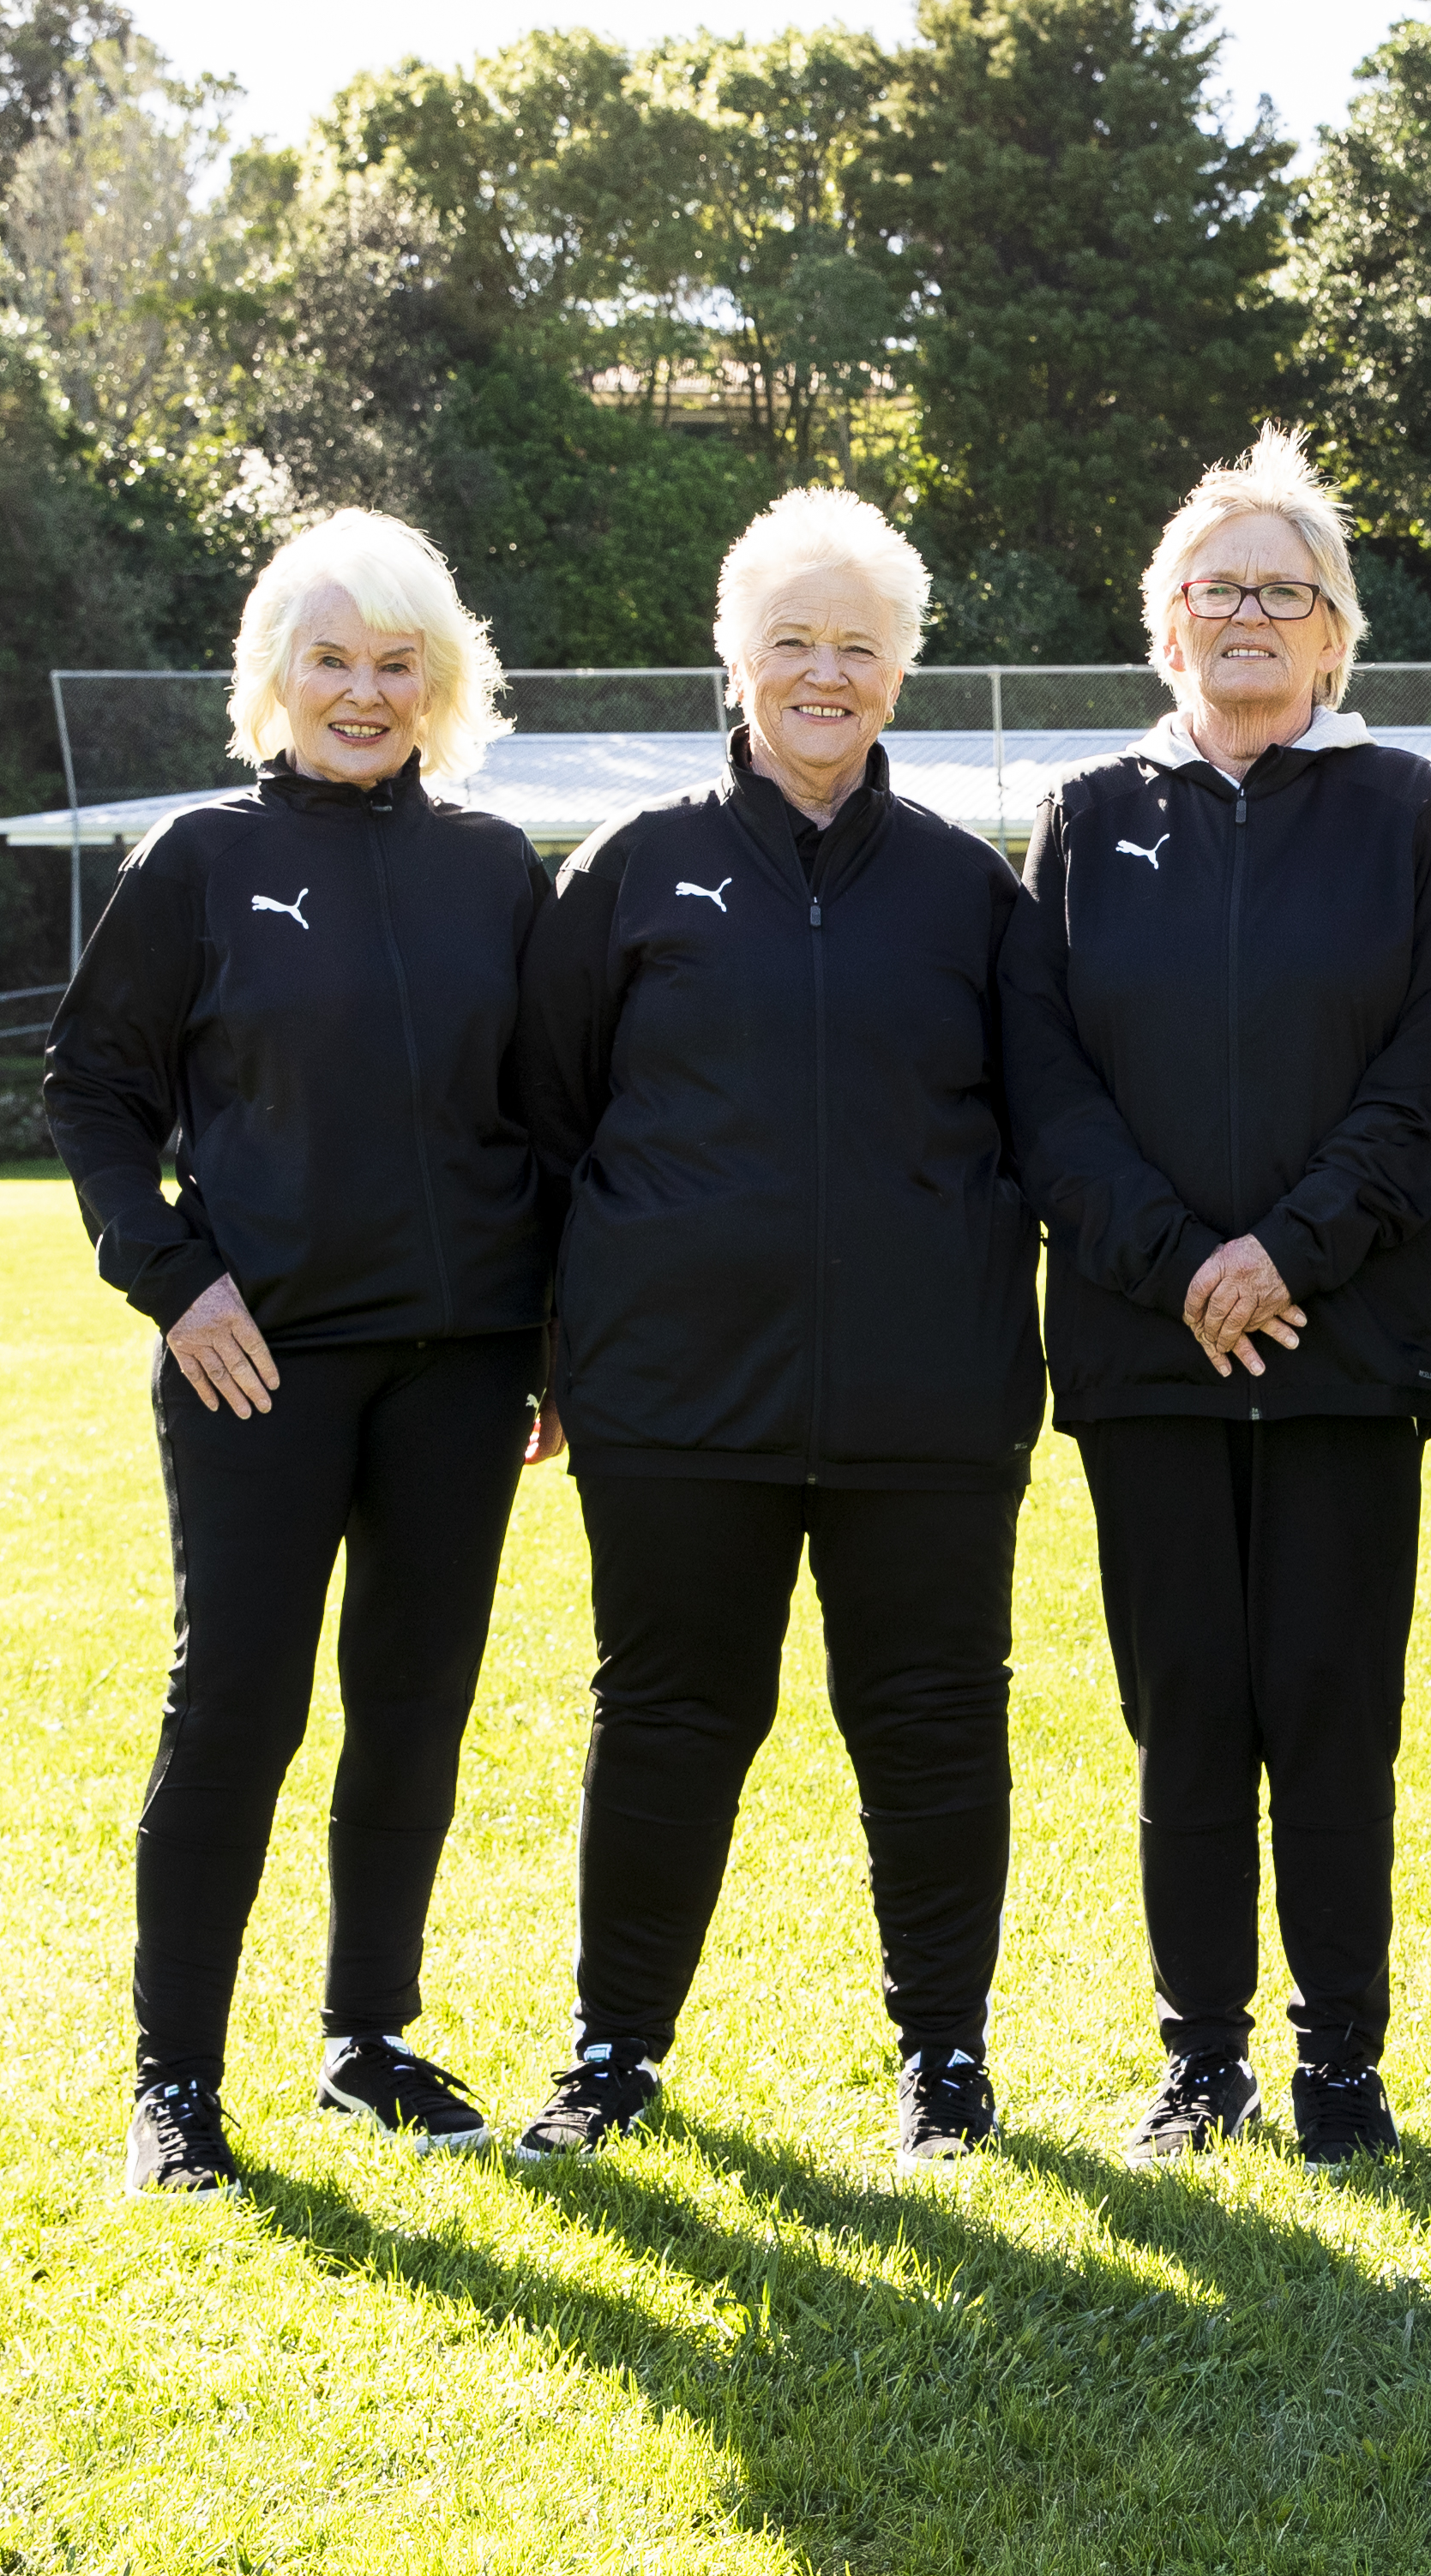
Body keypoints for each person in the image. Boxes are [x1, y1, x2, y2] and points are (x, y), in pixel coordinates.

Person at [508, 489, 1039, 2171]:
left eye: (858, 648)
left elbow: (1044, 1135)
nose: (825, 674)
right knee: (667, 1720)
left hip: (928, 1407)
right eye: (792, 643)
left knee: (935, 1724)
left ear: (902, 673)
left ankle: (945, 2065)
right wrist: (547, 1355)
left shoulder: (971, 895)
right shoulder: (631, 872)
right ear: (736, 660)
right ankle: (611, 2056)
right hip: (673, 1402)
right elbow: (538, 1127)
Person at [1001, 426, 1431, 2170]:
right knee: (1188, 1710)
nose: (1252, 619)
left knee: (1332, 1712)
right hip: (1145, 1358)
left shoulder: (1407, 815)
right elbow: (1044, 1086)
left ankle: (1340, 2068)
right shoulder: (1086, 820)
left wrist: (1288, 1251)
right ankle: (1200, 2062)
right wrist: (1172, 1262)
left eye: (1286, 594)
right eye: (1220, 592)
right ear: (1167, 623)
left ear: (1336, 632)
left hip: (1345, 1348)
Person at [46, 509, 553, 2195]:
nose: (361, 690)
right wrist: (175, 1280)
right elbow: (95, 1095)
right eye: (329, 659)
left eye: (393, 662)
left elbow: (540, 1120)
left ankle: (367, 2042)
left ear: (438, 679)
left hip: (465, 1366)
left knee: (412, 1708)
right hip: (254, 1364)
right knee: (237, 1710)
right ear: (275, 676)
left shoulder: (493, 870)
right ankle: (173, 2086)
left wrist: (546, 1330)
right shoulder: (195, 862)